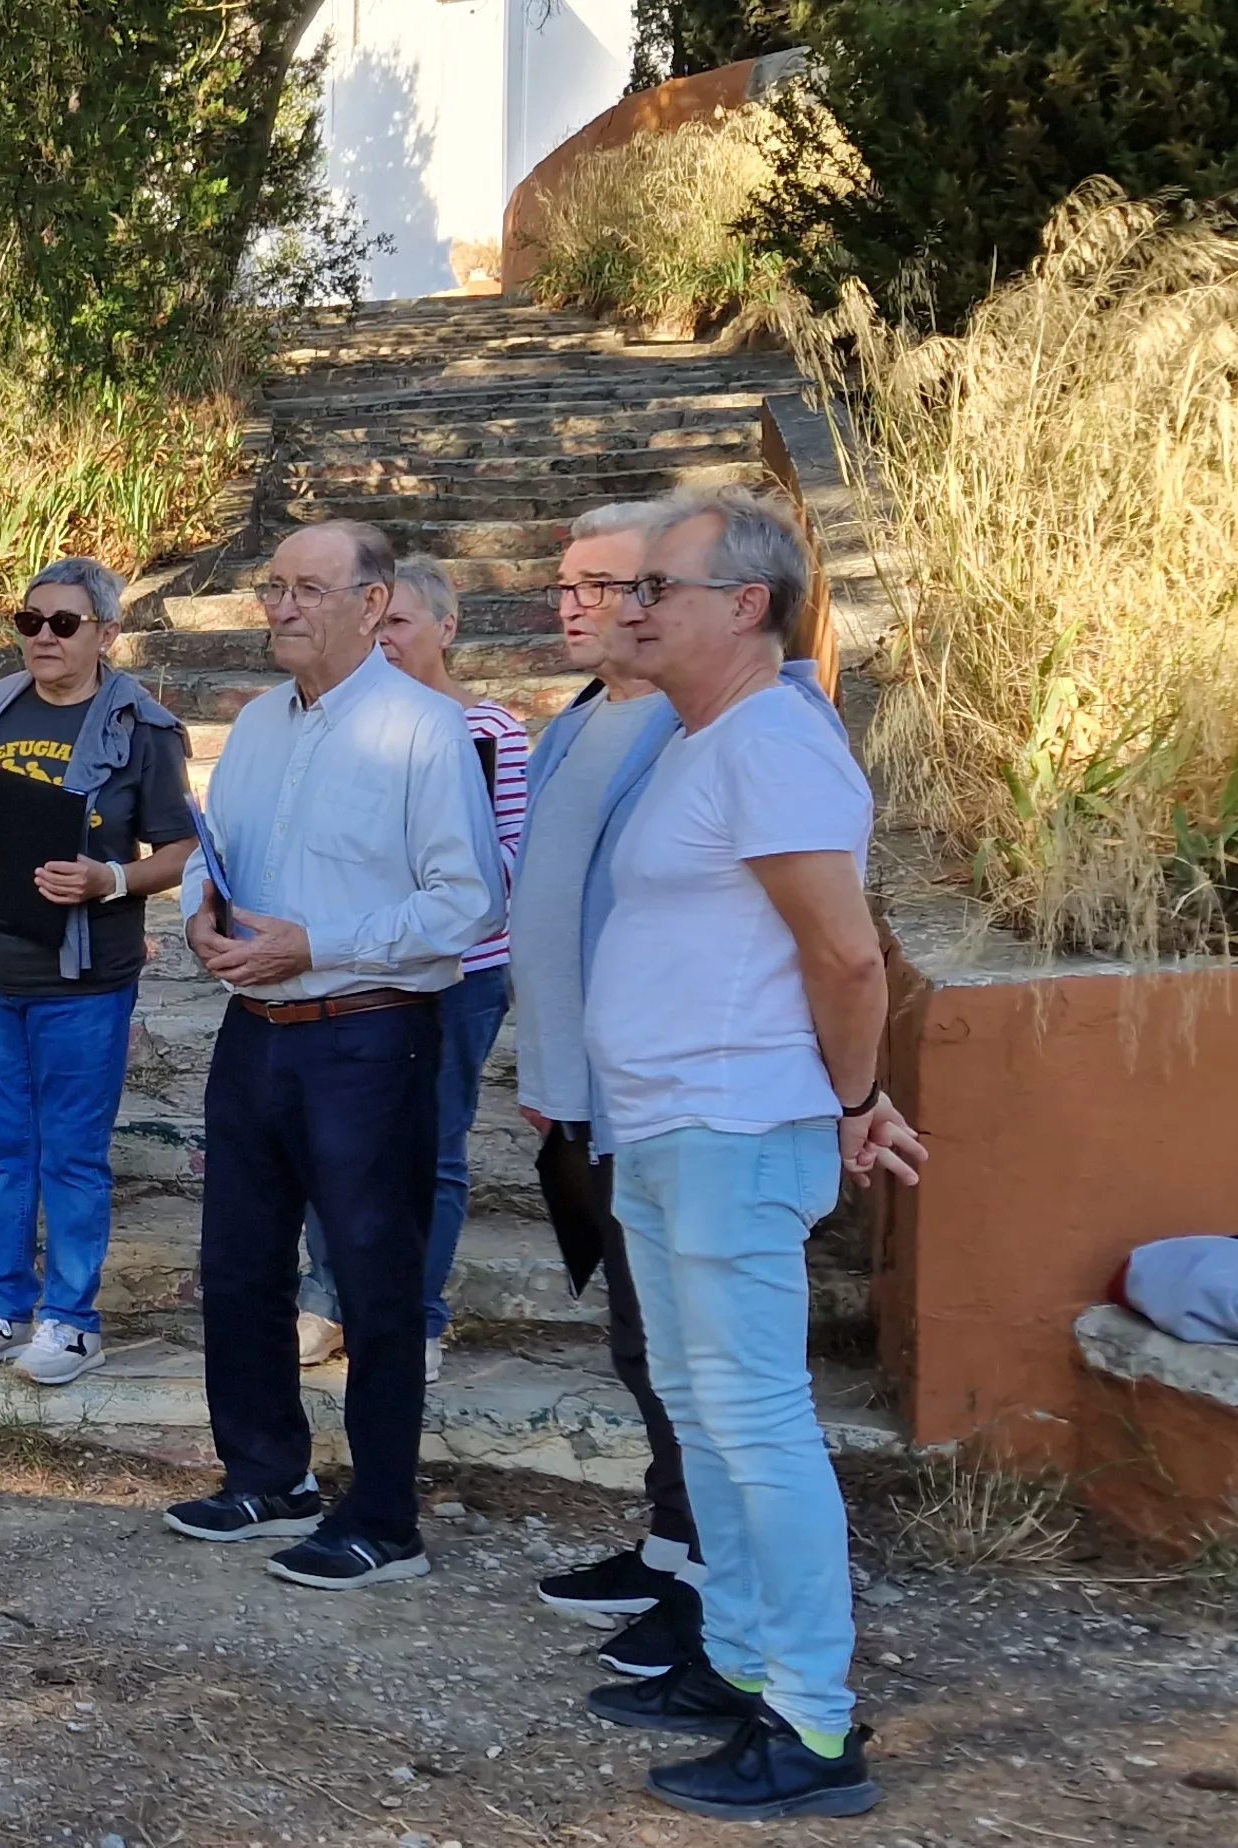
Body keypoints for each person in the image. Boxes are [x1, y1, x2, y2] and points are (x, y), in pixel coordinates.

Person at [574, 487, 922, 1823]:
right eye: (632, 589)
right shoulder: (699, 738)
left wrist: (852, 1099)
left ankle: (813, 1726)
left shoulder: (774, 740)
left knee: (759, 1422)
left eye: (659, 588)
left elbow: (844, 952)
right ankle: (736, 1663)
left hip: (733, 1127)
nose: (633, 608)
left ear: (747, 606)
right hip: (671, 1125)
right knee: (708, 1413)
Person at [170, 520, 497, 1591]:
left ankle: (383, 1514)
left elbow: (467, 901)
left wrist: (322, 943)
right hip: (253, 1030)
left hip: (368, 1033)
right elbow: (212, 856)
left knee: (373, 1279)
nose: (280, 608)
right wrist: (200, 921)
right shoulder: (258, 724)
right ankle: (267, 1472)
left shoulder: (424, 731)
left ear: (372, 602)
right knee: (237, 1264)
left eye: (307, 590)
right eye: (271, 588)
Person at [514, 502, 716, 1682]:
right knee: (638, 1344)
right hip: (577, 1095)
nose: (575, 606)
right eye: (568, 584)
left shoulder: (696, 731)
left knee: (680, 1346)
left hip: (651, 1098)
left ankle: (706, 1580)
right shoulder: (579, 719)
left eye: (602, 585)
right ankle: (667, 1542)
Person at [0, 561, 196, 1385]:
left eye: (65, 624)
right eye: (30, 620)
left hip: (83, 977)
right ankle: (3, 1305)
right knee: (4, 1147)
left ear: (108, 634)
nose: (43, 636)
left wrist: (108, 880)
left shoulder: (145, 732)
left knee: (73, 1153)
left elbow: (181, 849)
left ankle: (72, 1320)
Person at [295, 558, 530, 1382]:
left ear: (446, 629)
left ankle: (418, 1318)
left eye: (400, 624)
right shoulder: (345, 726)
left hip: (463, 974)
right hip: (363, 963)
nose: (385, 639)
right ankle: (325, 1304)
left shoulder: (489, 731)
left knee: (435, 1146)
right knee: (338, 1140)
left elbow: (510, 857)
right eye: (377, 623)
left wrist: (423, 882)